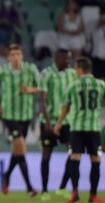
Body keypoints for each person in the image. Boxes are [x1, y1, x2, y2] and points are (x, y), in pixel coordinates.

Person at [0, 44, 38, 197]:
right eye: (13, 54)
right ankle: (29, 187)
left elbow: (42, 86)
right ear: (8, 57)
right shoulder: (2, 71)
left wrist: (30, 90)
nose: (16, 57)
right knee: (22, 149)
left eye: (18, 54)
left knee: (17, 151)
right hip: (9, 115)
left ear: (22, 56)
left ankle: (6, 176)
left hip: (26, 115)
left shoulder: (31, 69)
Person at [54, 57, 104, 203]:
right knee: (96, 160)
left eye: (76, 69)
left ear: (80, 69)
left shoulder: (73, 85)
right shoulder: (101, 84)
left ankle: (75, 192)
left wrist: (59, 123)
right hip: (94, 128)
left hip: (76, 128)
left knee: (75, 158)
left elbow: (66, 106)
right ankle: (93, 195)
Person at [38, 49, 77, 201]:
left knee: (74, 152)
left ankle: (62, 187)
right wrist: (48, 123)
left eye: (70, 59)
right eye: (66, 59)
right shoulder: (46, 73)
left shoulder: (72, 74)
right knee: (46, 155)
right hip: (49, 121)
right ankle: (45, 190)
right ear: (57, 57)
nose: (68, 62)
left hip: (67, 121)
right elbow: (42, 100)